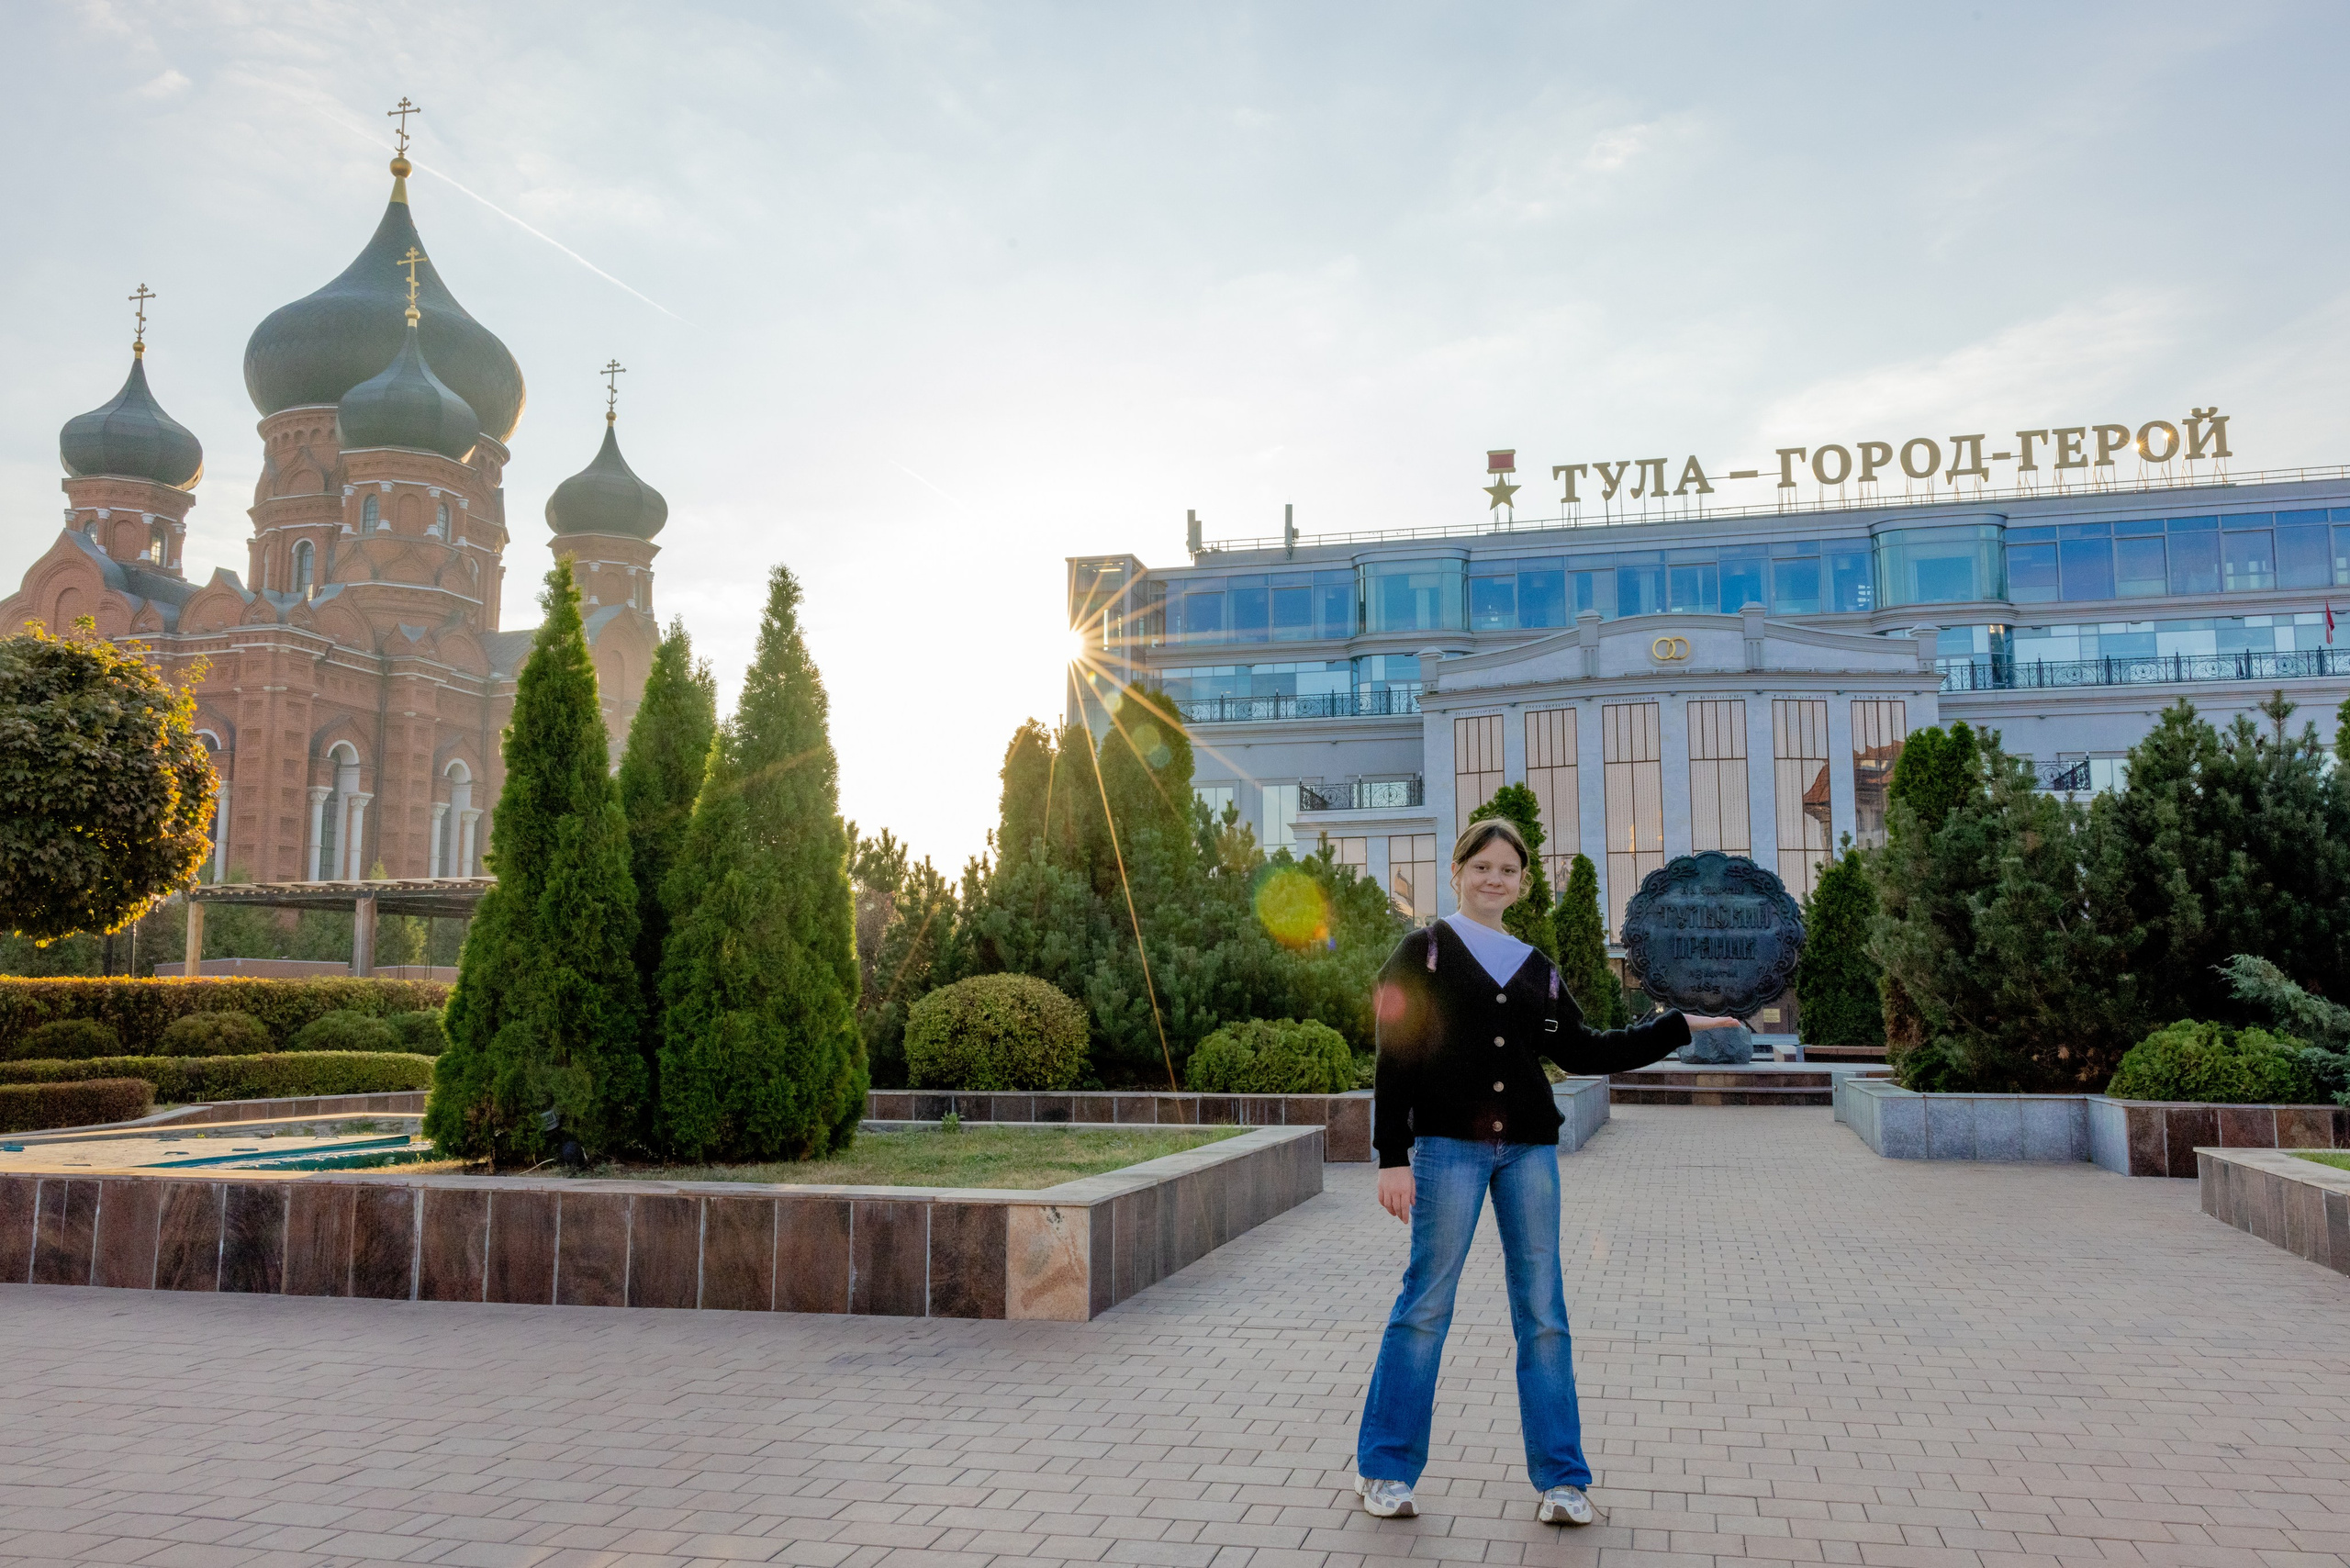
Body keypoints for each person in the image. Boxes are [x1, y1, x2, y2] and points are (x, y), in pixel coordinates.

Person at [1354, 817, 1739, 1525]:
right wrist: (1392, 1157)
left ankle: (1562, 1481)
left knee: (1542, 1312)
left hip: (1528, 1150)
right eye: (1482, 867)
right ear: (1457, 873)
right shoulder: (1423, 952)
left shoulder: (1535, 966)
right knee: (1425, 1306)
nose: (1494, 879)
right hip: (1447, 1150)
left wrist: (1675, 1026)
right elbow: (1395, 1056)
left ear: (1522, 884)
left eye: (1508, 870)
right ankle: (1384, 1468)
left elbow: (1585, 1050)